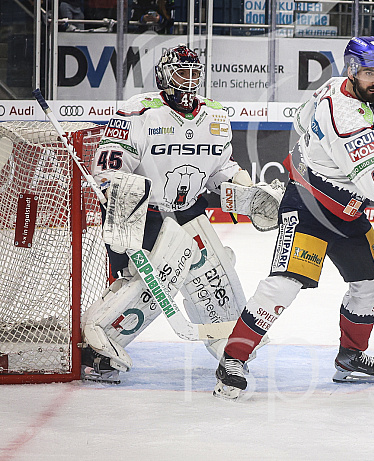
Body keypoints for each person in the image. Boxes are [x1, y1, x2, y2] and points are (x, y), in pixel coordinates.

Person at [213, 37, 374, 400]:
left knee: (371, 281)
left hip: (344, 210)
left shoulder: (334, 86)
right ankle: (232, 358)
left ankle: (351, 357)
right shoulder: (348, 120)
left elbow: (302, 122)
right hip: (308, 209)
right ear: (352, 69)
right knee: (284, 286)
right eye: (369, 72)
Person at [80, 45, 255, 383]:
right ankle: (99, 350)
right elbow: (108, 165)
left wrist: (242, 184)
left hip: (190, 214)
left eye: (194, 73)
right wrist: (118, 188)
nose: (188, 81)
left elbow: (221, 168)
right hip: (143, 215)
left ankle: (230, 349)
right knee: (143, 288)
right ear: (163, 76)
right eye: (180, 72)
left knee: (215, 279)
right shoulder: (140, 112)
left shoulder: (216, 115)